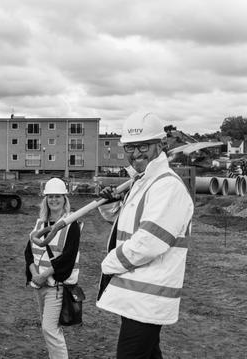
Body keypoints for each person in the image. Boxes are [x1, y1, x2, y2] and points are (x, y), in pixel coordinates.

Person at [96, 112, 194, 359]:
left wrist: (108, 263)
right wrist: (110, 204)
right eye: (130, 147)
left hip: (148, 298)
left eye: (143, 146)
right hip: (135, 294)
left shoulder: (166, 186)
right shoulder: (141, 182)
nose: (136, 153)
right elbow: (125, 224)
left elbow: (149, 242)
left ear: (160, 145)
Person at [24, 178, 81, 359]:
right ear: (45, 200)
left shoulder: (71, 225)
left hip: (57, 286)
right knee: (49, 328)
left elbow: (68, 258)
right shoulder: (40, 224)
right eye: (50, 197)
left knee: (49, 328)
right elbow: (28, 252)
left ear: (64, 199)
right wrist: (34, 274)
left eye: (57, 196)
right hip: (39, 285)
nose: (53, 200)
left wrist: (44, 275)